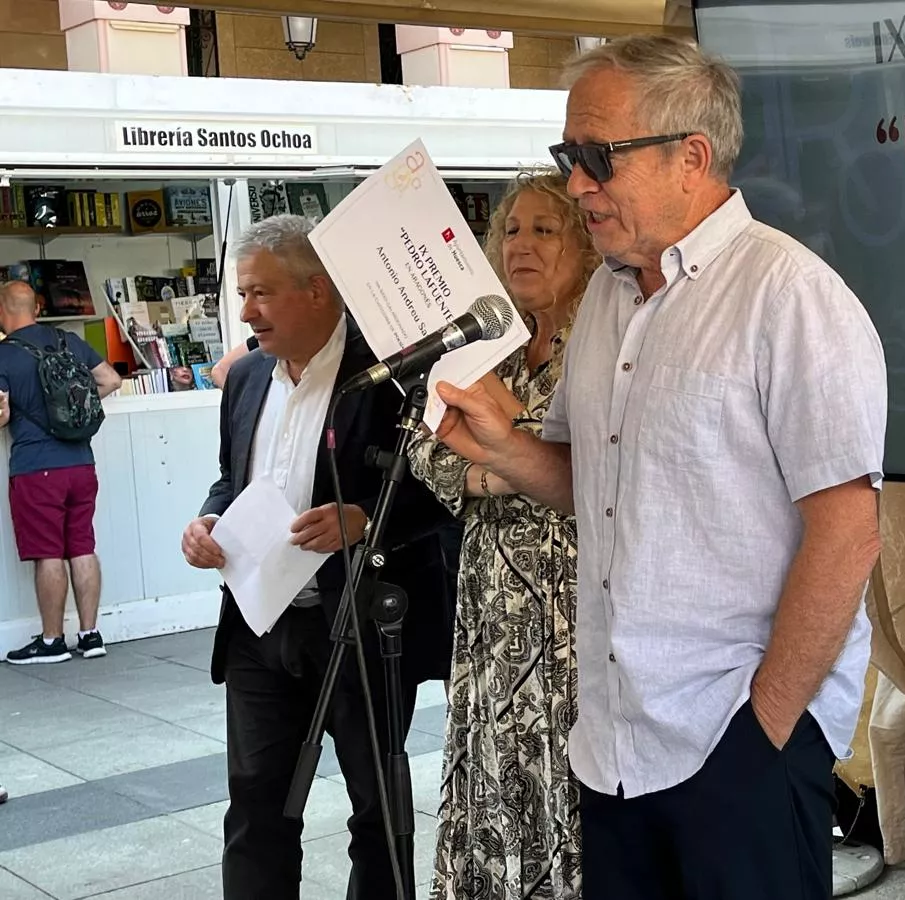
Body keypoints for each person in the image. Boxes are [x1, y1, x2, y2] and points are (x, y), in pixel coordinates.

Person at [430, 34, 888, 900]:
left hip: (736, 739)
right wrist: (503, 445)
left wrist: (767, 727)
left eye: (596, 156)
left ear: (692, 157)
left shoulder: (789, 297)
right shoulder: (608, 295)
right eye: (569, 156)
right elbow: (590, 480)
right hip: (613, 743)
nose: (575, 185)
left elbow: (849, 529)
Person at [180, 214, 455, 900]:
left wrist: (367, 523)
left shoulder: (393, 374)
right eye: (243, 293)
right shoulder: (245, 378)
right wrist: (210, 520)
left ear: (319, 291)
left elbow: (444, 491)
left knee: (378, 813)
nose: (246, 311)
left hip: (357, 630)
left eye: (260, 293)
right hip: (258, 628)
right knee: (254, 808)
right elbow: (231, 476)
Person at [407, 168, 598, 900]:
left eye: (545, 230)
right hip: (492, 605)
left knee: (569, 786)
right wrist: (502, 470)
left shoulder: (602, 342)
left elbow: (602, 457)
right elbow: (422, 445)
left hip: (573, 609)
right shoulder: (485, 345)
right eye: (511, 231)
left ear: (583, 246)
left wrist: (493, 454)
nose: (522, 245)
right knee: (494, 768)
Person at [0, 280, 121, 664]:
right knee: (82, 546)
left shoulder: (3, 356)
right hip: (81, 465)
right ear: (36, 307)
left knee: (48, 553)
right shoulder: (68, 341)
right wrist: (71, 410)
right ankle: (90, 635)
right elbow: (111, 380)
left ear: (2, 311)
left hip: (37, 468)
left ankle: (52, 641)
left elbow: (0, 415)